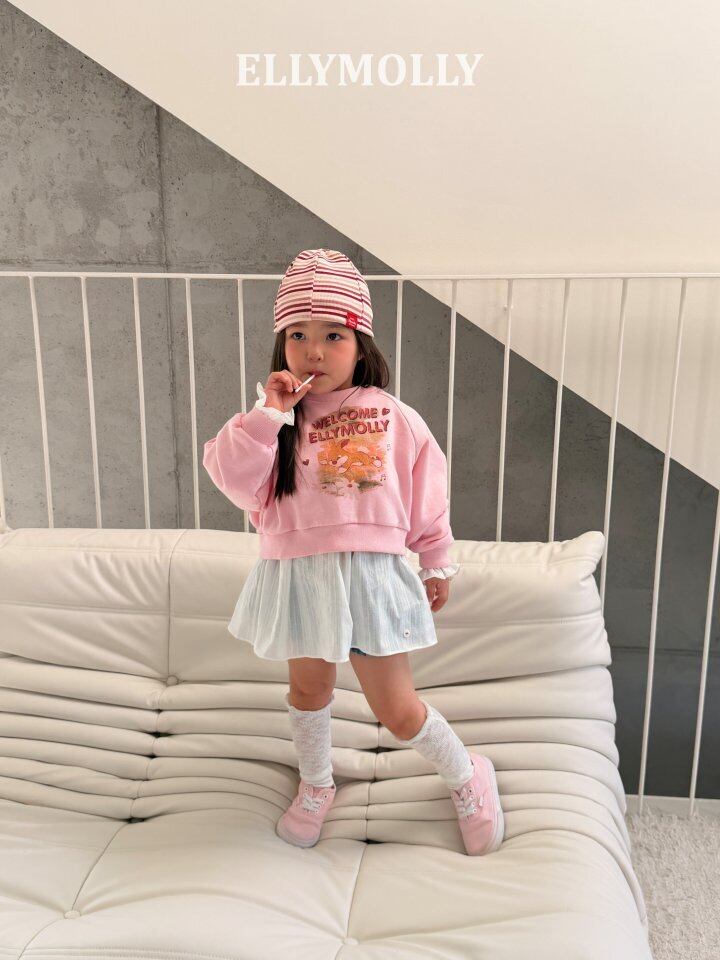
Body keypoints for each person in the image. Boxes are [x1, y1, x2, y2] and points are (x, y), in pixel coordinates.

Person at [203, 248, 504, 856]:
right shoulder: (272, 420)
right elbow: (231, 479)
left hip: (370, 575)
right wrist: (268, 416)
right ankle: (317, 784)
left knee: (397, 709)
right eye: (298, 335)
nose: (313, 351)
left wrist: (435, 558)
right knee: (308, 693)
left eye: (332, 335)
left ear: (360, 344)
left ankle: (467, 774)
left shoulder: (393, 416)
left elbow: (426, 491)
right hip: (298, 576)